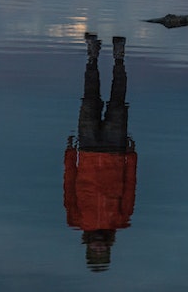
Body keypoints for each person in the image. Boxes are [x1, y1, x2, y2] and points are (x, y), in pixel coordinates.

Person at [63, 33, 136, 272]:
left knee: (89, 99)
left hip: (87, 149)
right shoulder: (121, 221)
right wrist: (132, 158)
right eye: (102, 253)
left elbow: (69, 187)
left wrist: (69, 156)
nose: (99, 249)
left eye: (95, 253)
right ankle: (119, 58)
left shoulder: (75, 220)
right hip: (116, 151)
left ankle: (92, 55)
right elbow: (129, 189)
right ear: (108, 250)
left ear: (88, 249)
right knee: (118, 101)